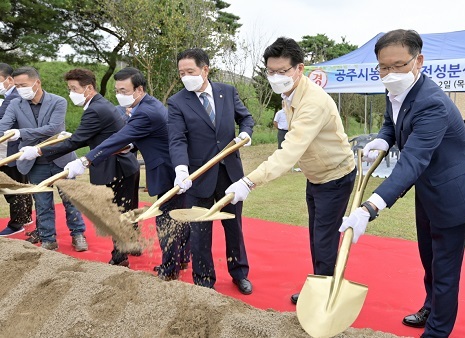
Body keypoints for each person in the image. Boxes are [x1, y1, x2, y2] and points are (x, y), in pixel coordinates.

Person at [338, 30, 465, 337]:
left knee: (445, 269)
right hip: (427, 190)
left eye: (398, 65)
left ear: (418, 61)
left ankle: (437, 331)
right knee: (429, 259)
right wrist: (383, 138)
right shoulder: (395, 89)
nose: (390, 73)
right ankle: (430, 306)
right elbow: (391, 122)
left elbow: (414, 159)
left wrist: (370, 207)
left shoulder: (431, 102)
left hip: (451, 192)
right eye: (383, 66)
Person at [223, 37, 356, 304]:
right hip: (316, 174)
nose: (276, 77)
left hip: (335, 176)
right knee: (316, 237)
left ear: (299, 69)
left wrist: (249, 182)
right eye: (271, 72)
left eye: (282, 71)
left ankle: (325, 297)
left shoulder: (313, 102)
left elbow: (289, 151)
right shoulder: (290, 94)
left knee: (324, 239)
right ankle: (321, 285)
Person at [64, 67, 190, 280]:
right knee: (179, 216)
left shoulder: (145, 112)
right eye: (117, 90)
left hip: (168, 170)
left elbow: (118, 138)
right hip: (173, 165)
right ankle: (183, 257)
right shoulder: (148, 104)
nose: (119, 95)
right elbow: (136, 138)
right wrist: (130, 146)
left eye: (124, 90)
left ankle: (170, 269)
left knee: (167, 220)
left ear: (139, 89)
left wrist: (85, 160)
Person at [18, 68, 141, 266]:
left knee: (116, 213)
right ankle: (133, 246)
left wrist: (39, 151)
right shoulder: (100, 105)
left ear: (89, 88)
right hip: (125, 165)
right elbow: (84, 137)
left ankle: (120, 259)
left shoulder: (95, 109)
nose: (70, 93)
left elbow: (75, 142)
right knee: (127, 210)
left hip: (117, 167)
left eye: (73, 88)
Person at [167, 48, 254, 293]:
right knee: (200, 233)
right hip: (199, 177)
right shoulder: (177, 102)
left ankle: (239, 273)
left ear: (205, 69)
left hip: (230, 174)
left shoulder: (227, 91)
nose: (185, 76)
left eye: (190, 71)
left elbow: (245, 117)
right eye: (181, 73)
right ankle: (204, 280)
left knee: (233, 227)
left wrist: (246, 132)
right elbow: (177, 139)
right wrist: (181, 169)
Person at [0, 66, 87, 251]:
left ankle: (78, 234)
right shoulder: (16, 104)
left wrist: (20, 132)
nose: (19, 89)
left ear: (36, 82)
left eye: (23, 85)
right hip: (34, 163)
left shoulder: (58, 101)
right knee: (42, 202)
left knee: (71, 200)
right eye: (16, 85)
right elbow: (3, 126)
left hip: (60, 158)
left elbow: (53, 129)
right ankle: (48, 239)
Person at [0, 63, 33, 236]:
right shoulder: (11, 96)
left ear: (9, 79)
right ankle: (25, 217)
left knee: (12, 185)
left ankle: (16, 223)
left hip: (12, 147)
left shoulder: (13, 98)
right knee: (20, 183)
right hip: (14, 146)